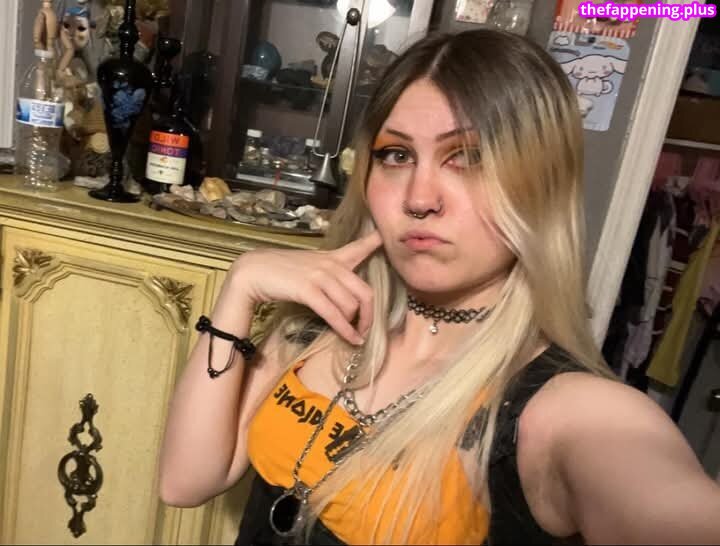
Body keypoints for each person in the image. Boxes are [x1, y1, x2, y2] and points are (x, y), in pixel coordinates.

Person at [158, 29, 720, 545]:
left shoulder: (562, 409)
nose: (419, 198)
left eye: (468, 157)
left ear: (540, 186)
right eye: (397, 155)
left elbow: (662, 497)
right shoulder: (314, 327)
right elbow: (185, 481)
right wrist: (241, 285)